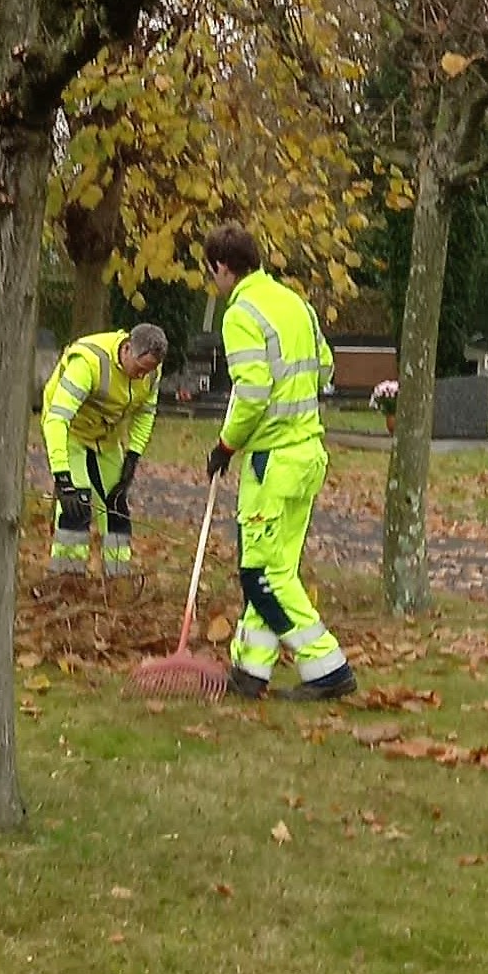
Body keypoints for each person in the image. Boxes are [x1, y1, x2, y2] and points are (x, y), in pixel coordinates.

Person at [203, 222, 353, 701]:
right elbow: (325, 367)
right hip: (308, 454)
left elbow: (250, 393)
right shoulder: (297, 305)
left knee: (260, 575)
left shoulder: (240, 313)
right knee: (276, 569)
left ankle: (327, 666)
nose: (215, 281)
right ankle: (251, 670)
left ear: (223, 268)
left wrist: (226, 446)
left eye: (213, 273)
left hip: (272, 460)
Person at [41, 322, 169, 582]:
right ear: (127, 349)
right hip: (71, 432)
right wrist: (63, 479)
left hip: (107, 439)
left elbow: (145, 413)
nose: (142, 376)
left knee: (117, 505)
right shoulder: (88, 362)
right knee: (77, 504)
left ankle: (118, 579)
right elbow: (57, 419)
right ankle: (66, 580)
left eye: (149, 371)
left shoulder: (151, 372)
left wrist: (133, 457)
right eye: (140, 369)